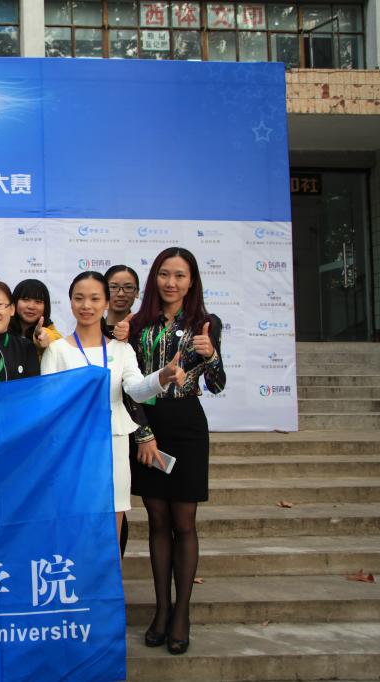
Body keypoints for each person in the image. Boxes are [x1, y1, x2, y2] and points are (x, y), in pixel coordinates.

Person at [120, 247, 226, 656]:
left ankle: (182, 612)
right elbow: (128, 386)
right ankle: (161, 610)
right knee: (157, 520)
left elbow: (216, 384)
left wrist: (211, 355)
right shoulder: (137, 324)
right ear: (155, 278)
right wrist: (144, 433)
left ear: (192, 281)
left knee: (184, 522)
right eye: (165, 274)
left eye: (180, 275)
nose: (171, 282)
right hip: (148, 426)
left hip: (187, 426)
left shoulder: (205, 323)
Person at [40, 271, 184, 552]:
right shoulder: (56, 350)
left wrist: (162, 377)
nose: (86, 305)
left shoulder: (122, 349)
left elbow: (137, 390)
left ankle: (109, 580)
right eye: (79, 298)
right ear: (70, 302)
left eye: (95, 299)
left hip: (113, 443)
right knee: (72, 524)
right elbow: (48, 406)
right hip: (72, 448)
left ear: (106, 303)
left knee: (111, 523)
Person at [104, 264, 152, 557]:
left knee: (123, 502)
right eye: (114, 287)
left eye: (128, 288)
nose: (121, 293)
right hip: (107, 430)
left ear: (137, 293)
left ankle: (115, 568)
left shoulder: (146, 332)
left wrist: (145, 433)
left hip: (141, 424)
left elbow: (137, 386)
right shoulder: (90, 330)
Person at [11, 278, 62, 359]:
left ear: (46, 307)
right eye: (25, 300)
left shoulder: (51, 333)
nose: (31, 306)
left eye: (38, 302)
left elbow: (54, 338)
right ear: (14, 302)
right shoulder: (2, 329)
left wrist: (41, 338)